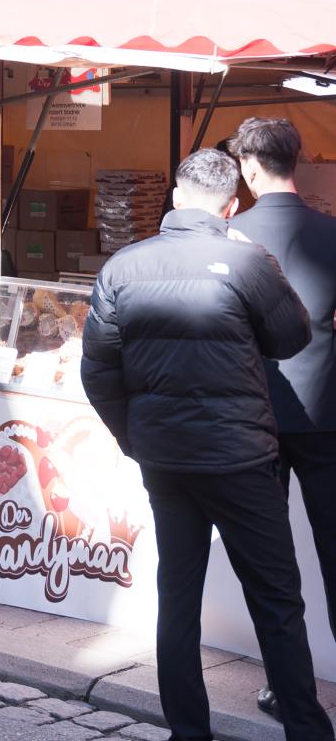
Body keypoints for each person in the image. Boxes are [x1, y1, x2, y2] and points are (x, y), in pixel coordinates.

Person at [81, 148, 333, 741]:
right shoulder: (245, 260)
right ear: (231, 206)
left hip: (166, 460)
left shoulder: (123, 266)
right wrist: (262, 266)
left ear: (175, 198)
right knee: (276, 598)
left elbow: (97, 372)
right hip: (239, 456)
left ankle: (188, 731)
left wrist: (134, 438)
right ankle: (306, 728)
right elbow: (292, 336)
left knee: (178, 595)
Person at [228, 117, 336, 721]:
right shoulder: (332, 232)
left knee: (272, 567)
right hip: (326, 414)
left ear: (248, 168)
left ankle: (286, 688)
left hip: (254, 417)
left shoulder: (231, 236)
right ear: (295, 161)